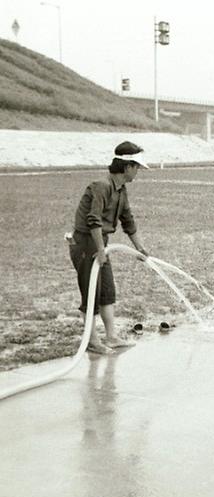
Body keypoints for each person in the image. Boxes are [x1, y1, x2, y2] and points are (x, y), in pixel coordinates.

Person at [69, 141, 150, 354]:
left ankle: (111, 336)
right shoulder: (101, 186)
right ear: (127, 167)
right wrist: (100, 250)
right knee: (91, 291)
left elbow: (128, 221)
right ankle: (92, 341)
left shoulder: (121, 190)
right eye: (137, 167)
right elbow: (93, 220)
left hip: (100, 243)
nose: (138, 172)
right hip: (87, 243)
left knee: (107, 291)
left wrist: (140, 249)